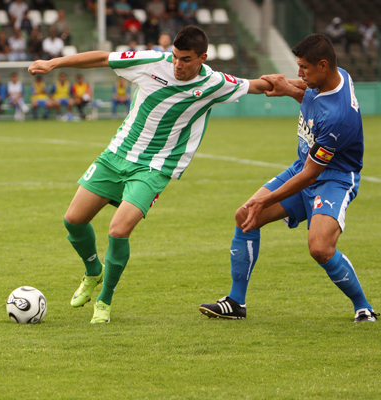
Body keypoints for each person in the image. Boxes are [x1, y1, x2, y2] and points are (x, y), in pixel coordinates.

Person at [28, 25, 275, 323]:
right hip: (116, 155)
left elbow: (261, 85)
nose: (177, 65)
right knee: (73, 221)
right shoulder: (150, 61)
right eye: (175, 57)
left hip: (155, 168)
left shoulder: (215, 83)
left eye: (185, 59)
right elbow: (103, 58)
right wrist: (53, 64)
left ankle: (104, 301)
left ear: (202, 58)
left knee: (118, 231)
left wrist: (304, 88)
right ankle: (94, 271)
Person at [198, 34, 378, 323]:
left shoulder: (338, 118)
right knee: (245, 215)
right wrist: (286, 89)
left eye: (304, 68)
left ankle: (363, 307)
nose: (299, 74)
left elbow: (311, 175)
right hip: (304, 166)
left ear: (322, 65)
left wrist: (266, 199)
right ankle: (235, 303)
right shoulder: (338, 75)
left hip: (333, 179)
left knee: (320, 248)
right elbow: (311, 95)